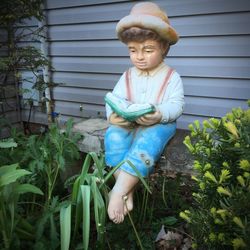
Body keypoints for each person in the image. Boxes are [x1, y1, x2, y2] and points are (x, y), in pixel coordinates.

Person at [104, 1, 185, 224]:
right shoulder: (128, 75)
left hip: (158, 124)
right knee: (113, 135)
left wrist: (159, 114)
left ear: (164, 48)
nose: (139, 56)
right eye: (133, 50)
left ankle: (117, 192)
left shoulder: (171, 76)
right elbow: (115, 98)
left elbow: (177, 105)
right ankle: (126, 190)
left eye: (148, 50)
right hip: (130, 123)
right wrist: (114, 114)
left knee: (148, 142)